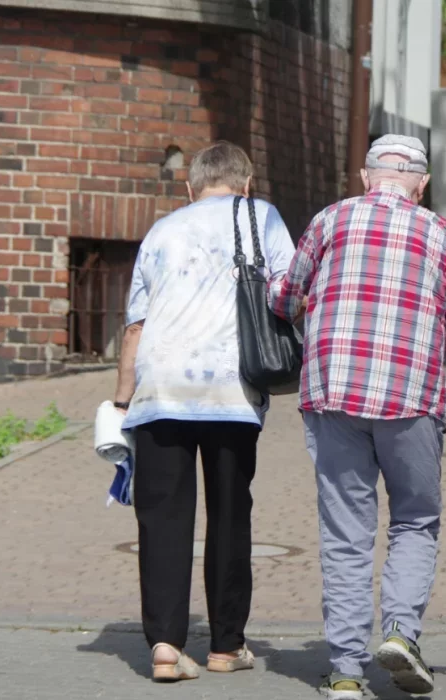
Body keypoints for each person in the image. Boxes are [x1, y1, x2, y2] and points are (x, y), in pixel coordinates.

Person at [270, 134, 446, 699]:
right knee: (415, 519)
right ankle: (399, 633)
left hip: (333, 392)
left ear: (367, 178)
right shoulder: (443, 236)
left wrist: (285, 296)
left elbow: (286, 296)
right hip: (411, 398)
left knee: (347, 532)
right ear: (420, 185)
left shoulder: (329, 220)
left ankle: (345, 670)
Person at [113, 141, 295, 682]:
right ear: (246, 182)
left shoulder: (163, 231)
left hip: (160, 388)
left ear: (190, 188)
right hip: (230, 391)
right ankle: (226, 645)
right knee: (230, 514)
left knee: (163, 519)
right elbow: (290, 292)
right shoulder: (262, 216)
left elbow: (136, 327)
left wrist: (121, 400)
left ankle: (166, 647)